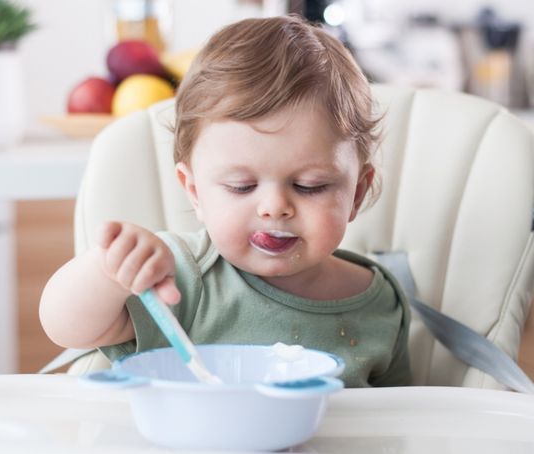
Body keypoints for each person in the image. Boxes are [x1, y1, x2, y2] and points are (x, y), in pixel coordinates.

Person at [39, 15, 411, 387]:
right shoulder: (177, 275)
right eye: (241, 186)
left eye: (310, 186)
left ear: (357, 193)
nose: (274, 207)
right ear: (195, 190)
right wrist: (111, 272)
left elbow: (397, 420)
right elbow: (66, 327)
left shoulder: (380, 302)